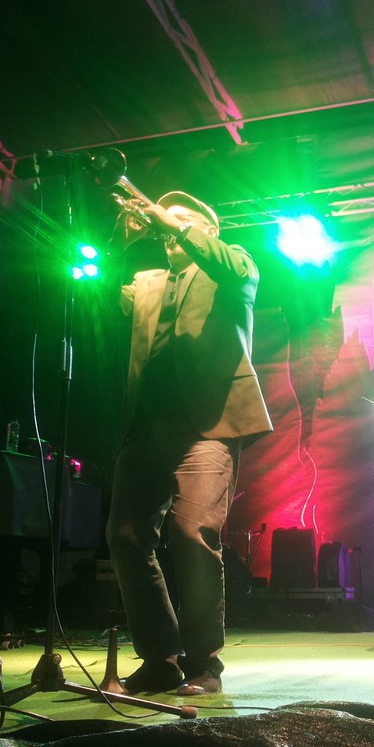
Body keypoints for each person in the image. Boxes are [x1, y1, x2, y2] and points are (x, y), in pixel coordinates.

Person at [105, 191, 272, 696]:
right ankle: (160, 659)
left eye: (181, 218)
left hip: (206, 427)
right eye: (164, 219)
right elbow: (99, 294)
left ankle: (205, 664)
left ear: (206, 229)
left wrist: (173, 222)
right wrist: (118, 241)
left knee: (192, 532)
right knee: (126, 537)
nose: (165, 225)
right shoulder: (147, 282)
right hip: (145, 427)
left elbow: (231, 267)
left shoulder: (233, 264)